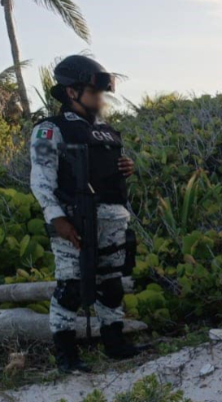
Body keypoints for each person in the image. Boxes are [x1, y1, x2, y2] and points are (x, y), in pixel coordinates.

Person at [30, 55, 145, 373]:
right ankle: (67, 356)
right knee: (71, 286)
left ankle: (114, 343)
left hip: (112, 217)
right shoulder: (50, 130)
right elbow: (41, 180)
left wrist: (126, 168)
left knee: (111, 283)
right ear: (72, 92)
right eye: (94, 92)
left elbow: (109, 171)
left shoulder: (107, 131)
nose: (100, 98)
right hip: (74, 218)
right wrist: (58, 219)